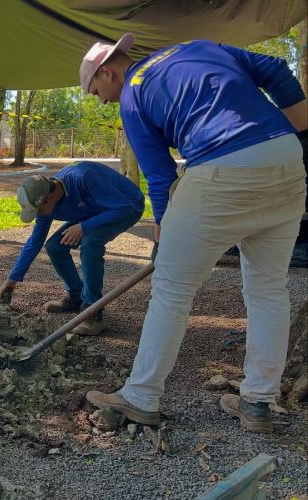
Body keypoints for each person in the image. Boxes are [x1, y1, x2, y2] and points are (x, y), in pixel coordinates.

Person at [80, 34, 307, 432]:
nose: (102, 100)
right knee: (268, 288)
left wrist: (163, 229)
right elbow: (274, 69)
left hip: (221, 168)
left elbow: (160, 174)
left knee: (171, 288)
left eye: (97, 90)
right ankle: (258, 403)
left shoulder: (133, 92)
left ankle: (141, 396)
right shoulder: (198, 47)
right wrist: (301, 131)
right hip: (287, 159)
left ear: (107, 70)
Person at [0, 161, 144, 336]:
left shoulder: (83, 178)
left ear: (48, 198)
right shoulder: (46, 203)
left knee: (90, 243)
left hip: (127, 206)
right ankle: (75, 296)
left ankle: (92, 312)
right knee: (54, 246)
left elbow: (124, 206)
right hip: (95, 210)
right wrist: (13, 278)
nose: (38, 216)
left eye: (37, 211)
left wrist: (83, 227)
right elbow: (35, 240)